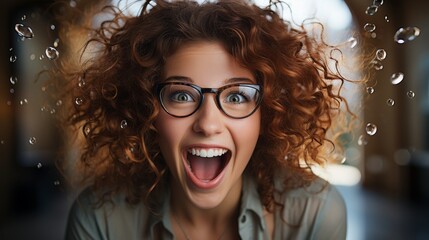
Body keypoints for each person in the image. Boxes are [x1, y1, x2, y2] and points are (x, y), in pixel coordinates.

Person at [54, 0, 354, 239]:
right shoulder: (98, 219)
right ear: (147, 111)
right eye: (181, 95)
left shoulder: (315, 213)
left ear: (269, 113)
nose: (208, 124)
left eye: (237, 97)